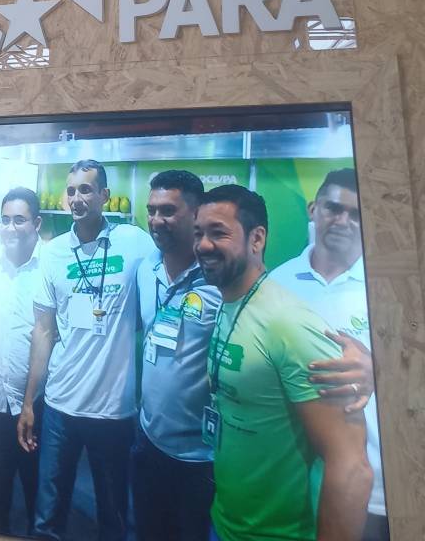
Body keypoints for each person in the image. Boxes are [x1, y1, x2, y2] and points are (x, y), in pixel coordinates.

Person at [194, 184, 372, 541]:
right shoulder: (232, 304)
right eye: (198, 233)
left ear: (256, 239)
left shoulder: (287, 322)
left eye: (218, 233)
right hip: (227, 522)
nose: (202, 245)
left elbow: (352, 467)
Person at [18, 159, 155, 541]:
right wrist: (30, 402)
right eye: (72, 191)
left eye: (86, 189)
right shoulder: (54, 253)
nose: (77, 198)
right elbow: (43, 331)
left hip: (113, 411)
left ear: (104, 195)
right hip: (60, 406)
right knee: (47, 518)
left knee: (113, 517)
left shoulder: (135, 243)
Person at [271, 169, 387, 541]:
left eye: (356, 213)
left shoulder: (389, 287)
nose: (343, 221)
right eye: (334, 208)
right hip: (292, 481)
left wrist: (379, 370)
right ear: (313, 209)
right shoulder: (277, 284)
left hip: (373, 484)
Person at [133, 171, 221, 541]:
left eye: (168, 211)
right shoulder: (145, 269)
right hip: (147, 441)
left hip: (198, 458)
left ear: (196, 213)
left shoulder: (217, 280)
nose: (156, 220)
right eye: (151, 210)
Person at [0, 187, 44, 535]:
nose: (10, 228)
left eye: (19, 220)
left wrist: (31, 401)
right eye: (5, 220)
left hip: (35, 404)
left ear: (37, 223)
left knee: (37, 488)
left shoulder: (50, 266)